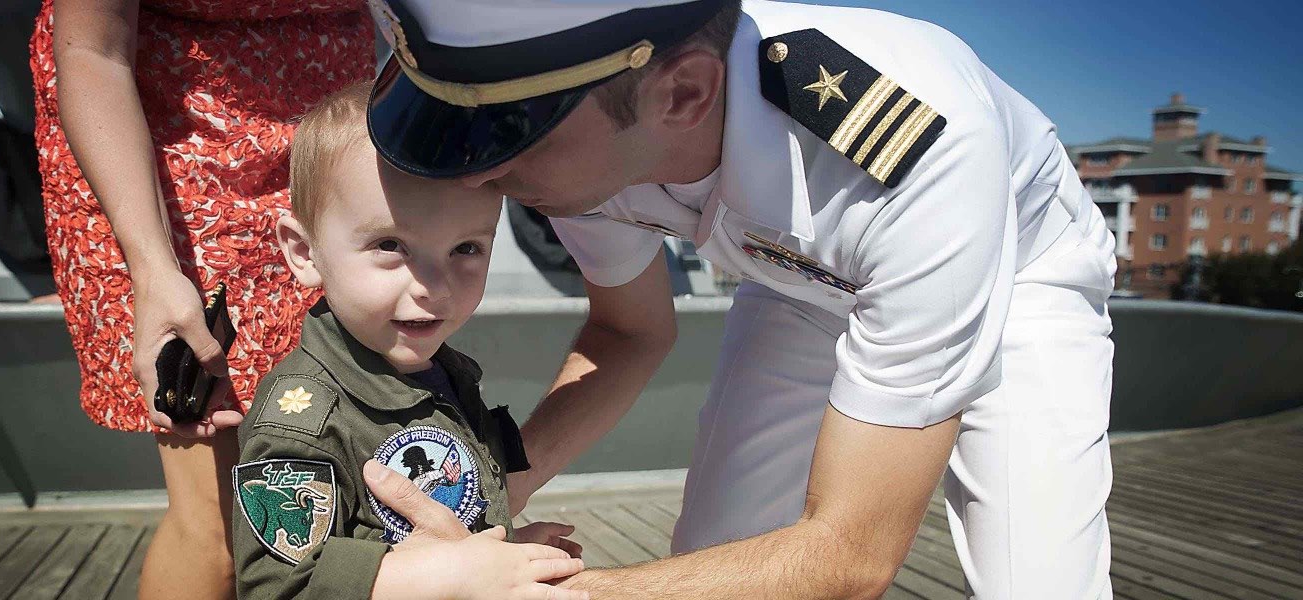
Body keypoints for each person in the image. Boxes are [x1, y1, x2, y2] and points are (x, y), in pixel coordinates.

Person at [362, 1, 1118, 598]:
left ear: (684, 93)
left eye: (504, 125)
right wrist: (492, 496)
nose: (467, 172)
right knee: (717, 553)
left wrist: (533, 594)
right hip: (799, 281)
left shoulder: (917, 156)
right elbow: (629, 332)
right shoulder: (585, 134)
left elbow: (850, 555)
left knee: (1036, 581)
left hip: (1017, 274)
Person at [29, 0, 373, 597]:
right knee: (222, 520)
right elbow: (91, 48)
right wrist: (154, 271)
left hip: (337, 135)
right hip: (163, 150)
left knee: (336, 479)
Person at [233, 84, 585, 600]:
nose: (433, 286)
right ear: (304, 252)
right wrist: (455, 576)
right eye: (390, 245)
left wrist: (500, 546)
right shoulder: (305, 423)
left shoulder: (440, 373)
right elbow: (278, 587)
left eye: (465, 248)